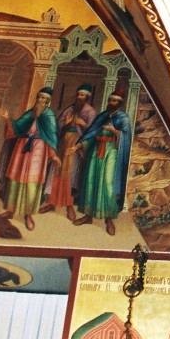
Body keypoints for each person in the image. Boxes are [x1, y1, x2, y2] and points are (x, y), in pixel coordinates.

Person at [71, 88, 132, 236]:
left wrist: (114, 130)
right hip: (96, 149)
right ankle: (88, 215)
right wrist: (77, 146)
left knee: (107, 183)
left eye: (115, 101)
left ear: (119, 103)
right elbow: (91, 134)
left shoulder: (123, 118)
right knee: (90, 180)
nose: (111, 102)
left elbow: (127, 137)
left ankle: (109, 219)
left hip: (111, 152)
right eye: (110, 100)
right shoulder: (102, 116)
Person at [0, 87, 60, 231]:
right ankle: (10, 210)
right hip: (22, 146)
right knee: (16, 178)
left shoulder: (49, 115)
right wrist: (6, 118)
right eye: (40, 97)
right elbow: (17, 127)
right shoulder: (30, 112)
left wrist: (53, 154)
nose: (41, 100)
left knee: (32, 181)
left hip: (39, 149)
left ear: (48, 101)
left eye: (44, 98)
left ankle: (28, 215)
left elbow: (51, 136)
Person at [40, 84, 96, 221]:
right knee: (56, 172)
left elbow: (93, 131)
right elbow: (58, 125)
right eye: (78, 94)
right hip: (63, 144)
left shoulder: (90, 112)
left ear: (87, 97)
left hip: (76, 146)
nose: (79, 97)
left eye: (82, 95)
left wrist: (83, 124)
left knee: (70, 175)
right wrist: (65, 123)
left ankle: (69, 206)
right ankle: (52, 202)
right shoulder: (70, 109)